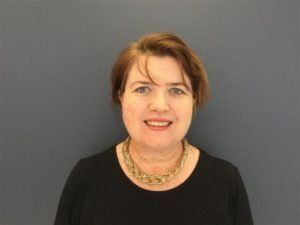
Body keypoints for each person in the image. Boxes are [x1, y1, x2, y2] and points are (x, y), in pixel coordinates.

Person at [54, 32, 254, 225]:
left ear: (193, 99)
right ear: (121, 96)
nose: (159, 105)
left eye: (176, 90)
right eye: (142, 88)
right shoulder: (87, 179)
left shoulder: (226, 182)